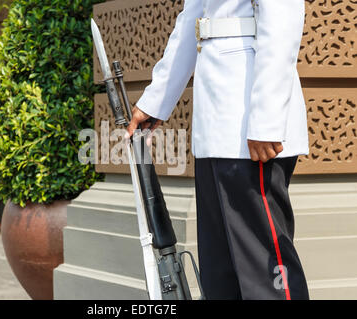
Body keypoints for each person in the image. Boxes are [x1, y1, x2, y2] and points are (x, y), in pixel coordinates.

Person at [126, 0, 310, 300]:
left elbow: (281, 20)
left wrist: (266, 119)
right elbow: (193, 19)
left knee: (265, 275)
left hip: (252, 125)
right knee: (220, 277)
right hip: (216, 121)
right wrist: (156, 100)